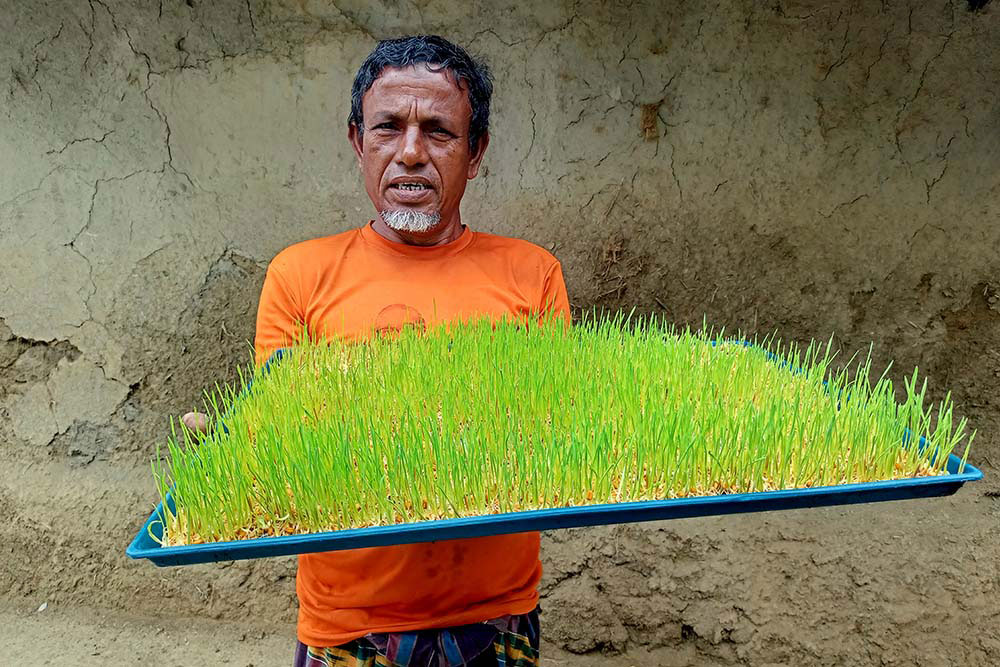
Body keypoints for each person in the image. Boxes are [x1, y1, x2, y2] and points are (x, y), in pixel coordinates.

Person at [182, 35, 570, 667]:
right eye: (388, 127)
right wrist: (233, 452)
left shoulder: (533, 274)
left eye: (439, 131)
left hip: (494, 616)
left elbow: (556, 432)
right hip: (348, 626)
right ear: (358, 143)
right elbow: (282, 441)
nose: (410, 152)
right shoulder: (299, 275)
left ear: (476, 153)